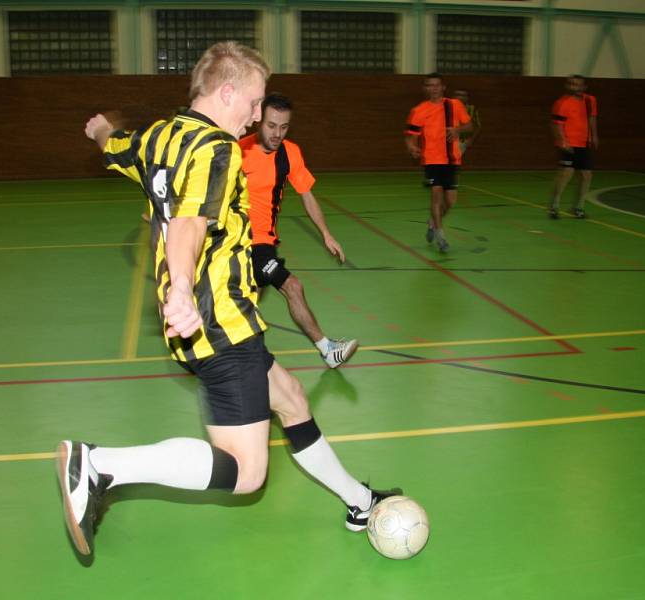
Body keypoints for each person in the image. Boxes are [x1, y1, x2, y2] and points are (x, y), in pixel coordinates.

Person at [57, 42, 401, 558]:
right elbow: (189, 225)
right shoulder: (216, 148)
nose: (257, 115)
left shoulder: (162, 135)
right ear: (226, 91)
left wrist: (99, 128)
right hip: (219, 320)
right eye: (255, 101)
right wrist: (179, 290)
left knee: (291, 400)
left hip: (221, 318)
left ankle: (359, 502)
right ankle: (101, 465)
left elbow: (115, 146)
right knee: (246, 474)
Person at [238, 93, 357, 369]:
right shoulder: (239, 151)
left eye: (283, 127)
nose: (277, 133)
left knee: (252, 298)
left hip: (266, 241)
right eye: (271, 125)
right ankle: (328, 349)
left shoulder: (290, 153)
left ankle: (228, 352)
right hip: (244, 241)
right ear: (258, 120)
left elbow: (307, 194)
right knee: (292, 286)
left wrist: (326, 234)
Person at [405, 73, 472, 253]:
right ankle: (441, 236)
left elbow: (469, 126)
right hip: (432, 159)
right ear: (425, 88)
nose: (433, 88)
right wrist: (412, 147)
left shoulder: (454, 105)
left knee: (450, 201)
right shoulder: (419, 111)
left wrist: (458, 129)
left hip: (452, 158)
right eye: (429, 85)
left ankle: (433, 222)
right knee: (436, 195)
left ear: (443, 87)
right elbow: (411, 136)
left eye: (437, 85)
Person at [548, 75, 598, 220]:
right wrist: (563, 141)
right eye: (572, 84)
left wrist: (594, 135)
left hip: (584, 143)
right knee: (566, 174)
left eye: (578, 84)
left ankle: (578, 207)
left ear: (584, 87)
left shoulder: (590, 100)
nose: (575, 87)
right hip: (569, 144)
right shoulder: (562, 103)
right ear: (567, 86)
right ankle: (554, 206)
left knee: (586, 175)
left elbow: (592, 118)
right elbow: (555, 125)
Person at [452, 89, 481, 156]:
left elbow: (477, 126)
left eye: (463, 95)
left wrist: (471, 140)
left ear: (467, 98)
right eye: (458, 95)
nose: (460, 97)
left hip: (462, 141)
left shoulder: (471, 109)